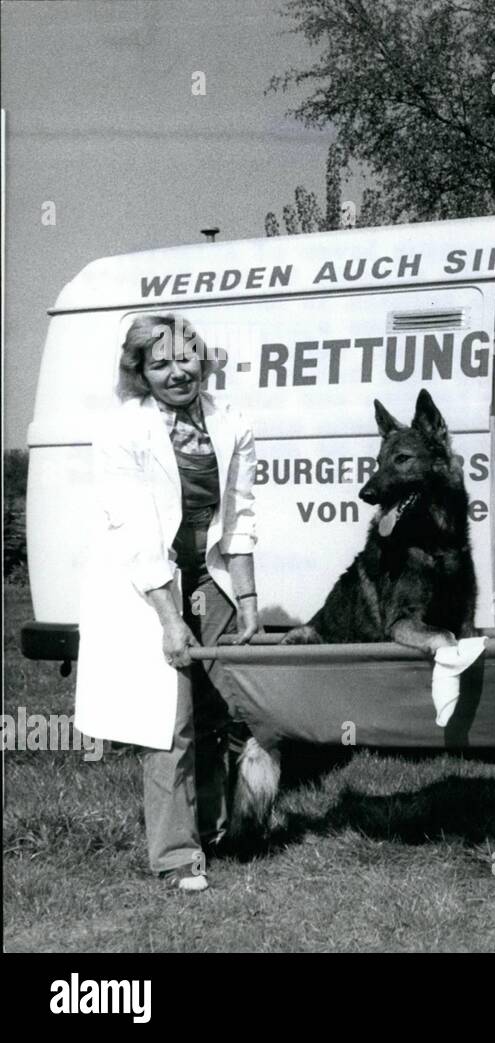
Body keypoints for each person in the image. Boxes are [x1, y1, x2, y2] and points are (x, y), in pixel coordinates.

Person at [74, 314, 261, 892]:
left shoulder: (232, 422)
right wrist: (169, 618)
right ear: (141, 373)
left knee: (218, 713)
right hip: (149, 584)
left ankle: (215, 828)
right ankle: (176, 854)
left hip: (210, 578)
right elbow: (133, 529)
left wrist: (249, 599)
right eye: (159, 364)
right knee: (170, 721)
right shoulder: (122, 431)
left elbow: (242, 514)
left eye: (186, 358)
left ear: (203, 357)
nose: (177, 372)